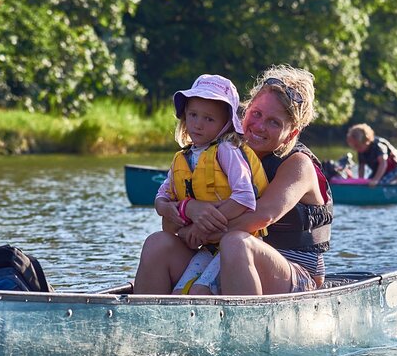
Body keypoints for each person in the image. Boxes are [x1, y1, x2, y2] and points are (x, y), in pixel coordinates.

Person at [133, 64, 332, 295]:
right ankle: (146, 324)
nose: (259, 126)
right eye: (256, 114)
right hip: (218, 255)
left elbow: (260, 217)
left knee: (235, 242)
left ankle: (246, 328)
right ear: (244, 111)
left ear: (291, 133)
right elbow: (171, 227)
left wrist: (198, 231)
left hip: (295, 276)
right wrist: (188, 208)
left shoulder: (298, 164)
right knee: (158, 243)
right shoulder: (224, 153)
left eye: (274, 122)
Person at [148, 74, 268, 295]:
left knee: (199, 292)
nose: (198, 124)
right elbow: (161, 197)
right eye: (193, 115)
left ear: (226, 124)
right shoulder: (182, 158)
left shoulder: (227, 150)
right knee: (179, 294)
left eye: (209, 119)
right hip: (207, 247)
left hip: (235, 246)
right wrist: (168, 209)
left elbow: (244, 198)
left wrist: (201, 225)